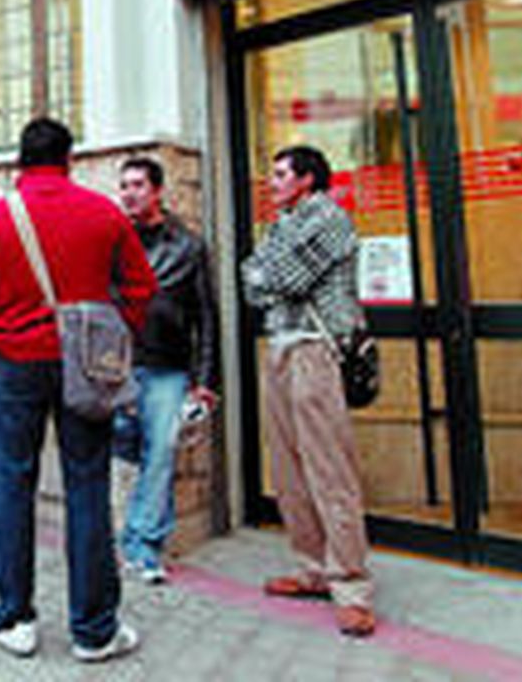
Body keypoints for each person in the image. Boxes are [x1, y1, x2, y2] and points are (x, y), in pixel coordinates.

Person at [0, 117, 155, 664]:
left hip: (17, 361)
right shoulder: (103, 212)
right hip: (85, 363)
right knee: (88, 487)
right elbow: (140, 288)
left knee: (12, 485)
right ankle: (93, 630)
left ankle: (15, 620)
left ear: (18, 161)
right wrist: (114, 332)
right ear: (69, 160)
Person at [241, 144, 376, 638]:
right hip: (279, 348)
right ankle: (313, 568)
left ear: (307, 179)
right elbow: (251, 280)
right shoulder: (281, 224)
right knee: (289, 467)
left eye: (280, 174)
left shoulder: (331, 219)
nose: (271, 182)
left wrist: (266, 274)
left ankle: (351, 587)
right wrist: (266, 274)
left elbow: (281, 278)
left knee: (328, 468)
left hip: (318, 349)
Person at [114, 157, 218, 584]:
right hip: (117, 367)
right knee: (127, 450)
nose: (129, 193)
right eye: (124, 186)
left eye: (138, 184)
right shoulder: (113, 241)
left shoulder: (188, 246)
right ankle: (138, 535)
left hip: (167, 368)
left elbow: (207, 317)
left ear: (158, 191)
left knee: (159, 457)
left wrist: (206, 380)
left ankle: (143, 546)